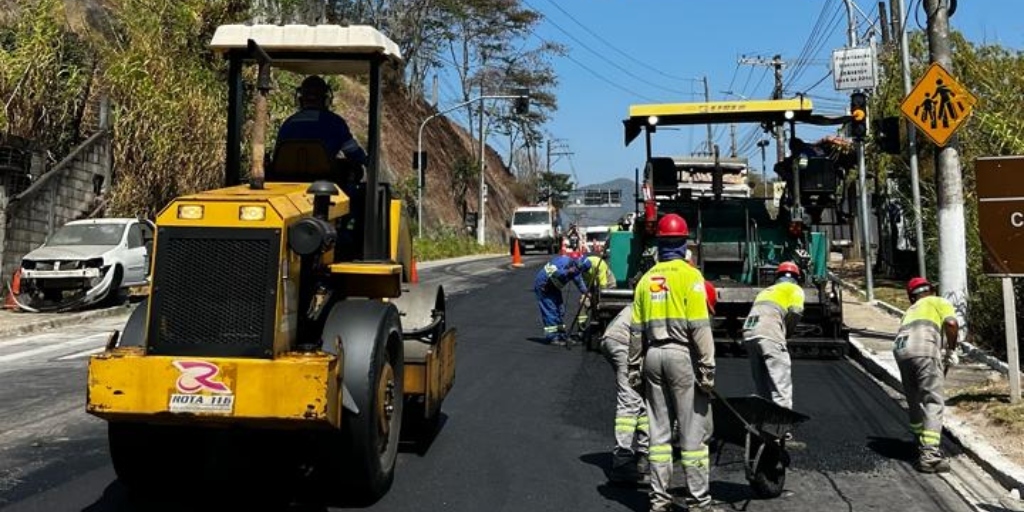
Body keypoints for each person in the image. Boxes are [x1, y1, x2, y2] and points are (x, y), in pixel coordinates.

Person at [628, 213, 717, 512]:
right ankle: (699, 502)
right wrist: (707, 368)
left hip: (652, 357)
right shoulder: (691, 277)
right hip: (680, 357)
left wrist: (633, 367)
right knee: (692, 432)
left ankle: (658, 500)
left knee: (659, 432)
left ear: (659, 244)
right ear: (683, 245)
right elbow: (700, 328)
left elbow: (636, 331)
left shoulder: (645, 281)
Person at [894, 277, 959, 473]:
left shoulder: (910, 311)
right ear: (931, 290)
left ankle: (918, 443)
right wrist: (951, 349)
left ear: (911, 296)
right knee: (932, 400)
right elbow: (951, 322)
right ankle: (930, 455)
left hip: (901, 350)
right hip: (924, 349)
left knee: (914, 400)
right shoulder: (938, 301)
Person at [742, 261, 805, 410]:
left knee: (761, 383)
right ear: (797, 277)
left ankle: (762, 421)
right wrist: (788, 332)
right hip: (769, 332)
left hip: (749, 332)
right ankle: (780, 427)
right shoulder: (794, 288)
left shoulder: (766, 291)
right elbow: (796, 311)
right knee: (780, 382)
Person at [601, 305, 650, 484]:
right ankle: (622, 462)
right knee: (629, 398)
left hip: (617, 337)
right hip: (623, 341)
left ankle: (644, 454)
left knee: (642, 398)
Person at [276, 75, 367, 167]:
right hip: (325, 178)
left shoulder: (288, 124)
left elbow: (278, 155)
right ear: (326, 99)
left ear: (301, 100)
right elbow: (354, 153)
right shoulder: (335, 122)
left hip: (289, 177)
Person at [533, 254, 592, 345]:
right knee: (551, 310)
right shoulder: (562, 261)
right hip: (544, 285)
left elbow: (579, 282)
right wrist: (567, 271)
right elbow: (552, 271)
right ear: (575, 263)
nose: (577, 272)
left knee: (560, 310)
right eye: (577, 269)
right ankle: (552, 337)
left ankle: (561, 335)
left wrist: (587, 293)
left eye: (579, 271)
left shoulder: (576, 270)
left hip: (554, 287)